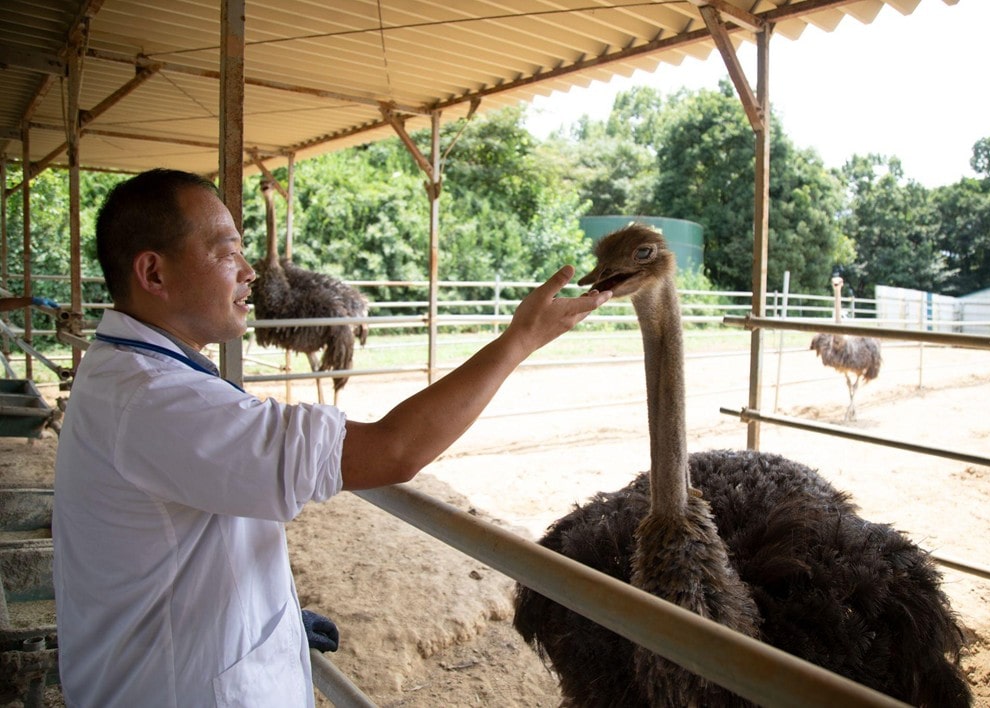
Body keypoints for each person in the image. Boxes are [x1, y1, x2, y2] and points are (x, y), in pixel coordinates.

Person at [52, 168, 611, 707]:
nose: (248, 271)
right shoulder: (157, 401)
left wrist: (271, 620)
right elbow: (393, 450)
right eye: (226, 253)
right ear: (154, 274)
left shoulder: (131, 373)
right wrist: (521, 339)